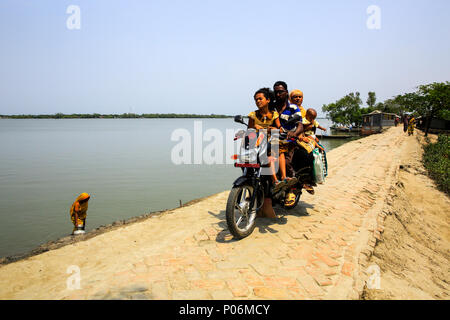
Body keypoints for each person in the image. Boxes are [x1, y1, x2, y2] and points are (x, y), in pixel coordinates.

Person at [248, 88, 283, 191]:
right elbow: (249, 130)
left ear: (268, 100)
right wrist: (255, 127)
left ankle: (275, 181)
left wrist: (274, 129)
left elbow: (279, 128)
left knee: (269, 156)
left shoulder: (274, 114)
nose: (258, 101)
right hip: (257, 140)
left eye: (260, 99)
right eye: (256, 100)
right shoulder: (253, 115)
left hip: (270, 140)